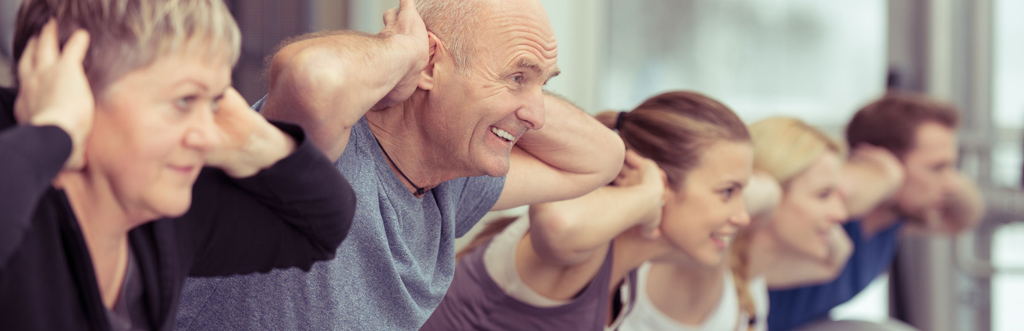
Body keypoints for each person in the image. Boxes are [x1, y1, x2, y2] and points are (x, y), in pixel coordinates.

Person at [175, 0, 625, 330]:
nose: (538, 114)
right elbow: (312, 77)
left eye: (541, 86)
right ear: (430, 64)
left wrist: (522, 84)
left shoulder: (451, 179)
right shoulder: (327, 145)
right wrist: (403, 51)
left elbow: (601, 158)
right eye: (516, 77)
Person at [0, 0, 357, 330]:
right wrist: (54, 131)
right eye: (185, 100)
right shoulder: (19, 183)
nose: (206, 135)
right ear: (75, 88)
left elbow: (324, 224)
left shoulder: (162, 209)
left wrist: (253, 140)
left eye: (214, 101)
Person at [420, 91, 776, 330]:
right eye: (727, 191)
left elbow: (769, 193)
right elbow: (560, 225)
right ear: (660, 180)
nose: (742, 216)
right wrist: (650, 192)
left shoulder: (625, 267)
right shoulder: (585, 248)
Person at [618, 117, 876, 331]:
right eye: (823, 195)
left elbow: (836, 258)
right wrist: (767, 191)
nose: (841, 214)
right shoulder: (703, 264)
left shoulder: (749, 280)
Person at [767, 93, 985, 331]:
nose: (951, 184)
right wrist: (886, 174)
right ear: (883, 160)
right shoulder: (828, 211)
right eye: (937, 168)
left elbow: (965, 216)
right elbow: (838, 187)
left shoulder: (895, 221)